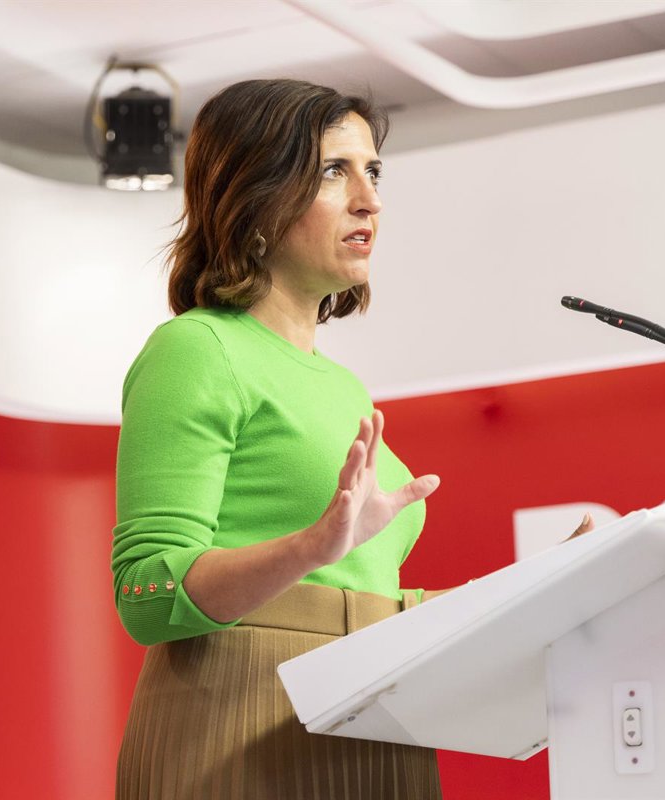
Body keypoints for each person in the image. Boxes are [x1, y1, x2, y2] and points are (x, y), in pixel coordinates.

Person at [110, 78, 590, 799]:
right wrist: (309, 547)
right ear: (255, 195)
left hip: (383, 710)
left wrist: (533, 589)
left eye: (373, 171)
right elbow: (145, 594)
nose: (370, 200)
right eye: (335, 170)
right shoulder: (197, 349)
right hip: (244, 718)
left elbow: (360, 601)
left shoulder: (343, 387)